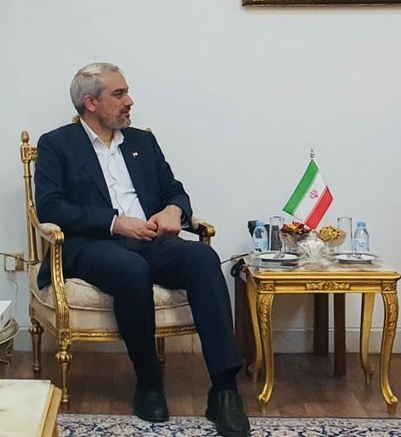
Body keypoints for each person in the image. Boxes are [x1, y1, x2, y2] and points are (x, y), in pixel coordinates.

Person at [35, 63, 250, 437]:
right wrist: (115, 222)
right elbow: (51, 207)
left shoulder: (141, 143)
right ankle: (149, 381)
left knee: (202, 257)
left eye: (127, 92)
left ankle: (224, 390)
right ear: (90, 103)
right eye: (118, 94)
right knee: (130, 270)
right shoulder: (56, 144)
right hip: (91, 244)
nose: (129, 101)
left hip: (149, 239)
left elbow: (174, 190)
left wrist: (174, 211)